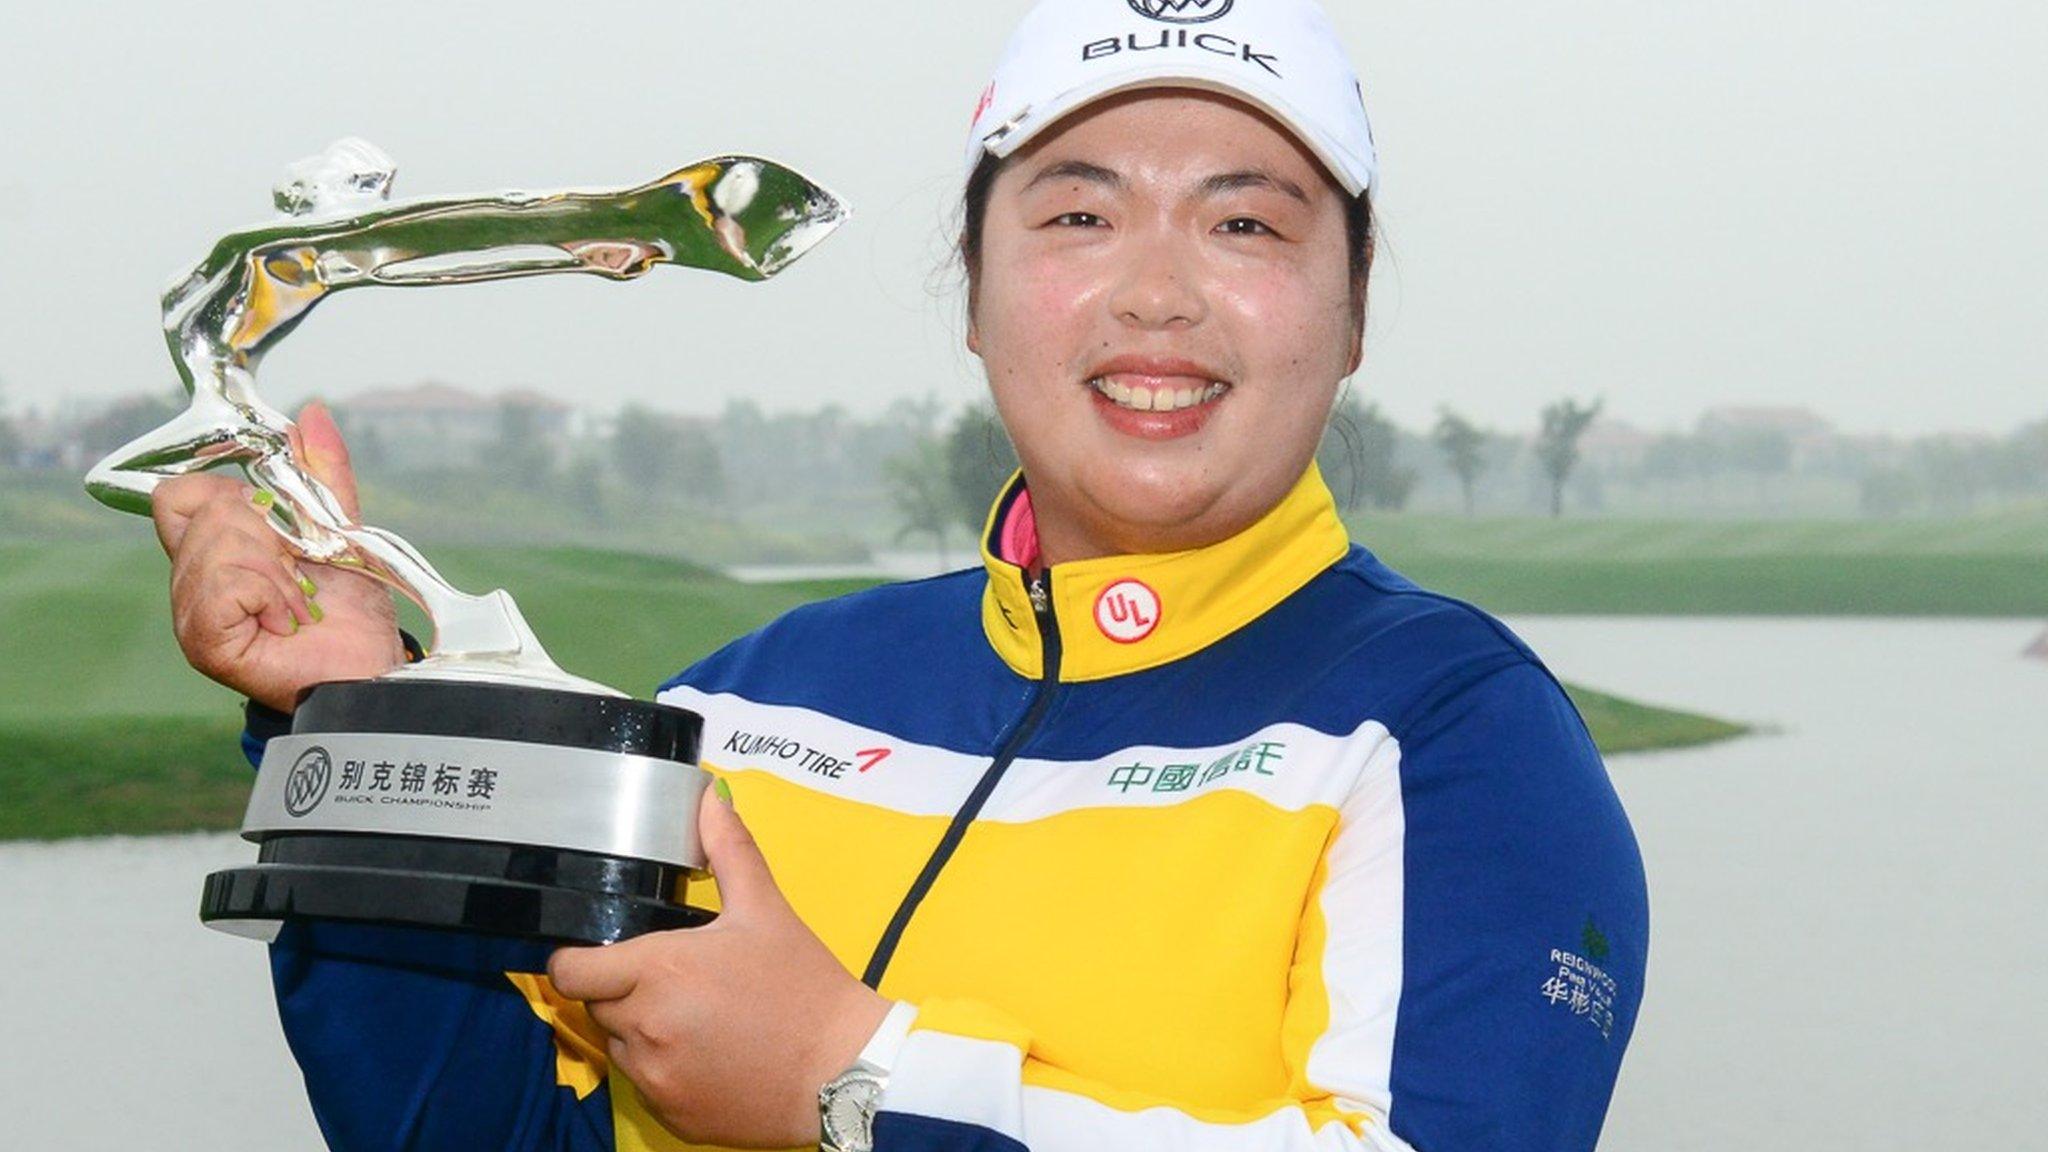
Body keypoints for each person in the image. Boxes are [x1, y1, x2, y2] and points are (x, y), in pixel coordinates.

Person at [152, 2, 1648, 1149]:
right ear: (978, 295)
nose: (1157, 289)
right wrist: (351, 726)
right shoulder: (745, 704)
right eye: (1077, 212)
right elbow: (468, 1131)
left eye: (1246, 222)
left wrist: (852, 1082)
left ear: (1353, 313)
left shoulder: (1458, 741)